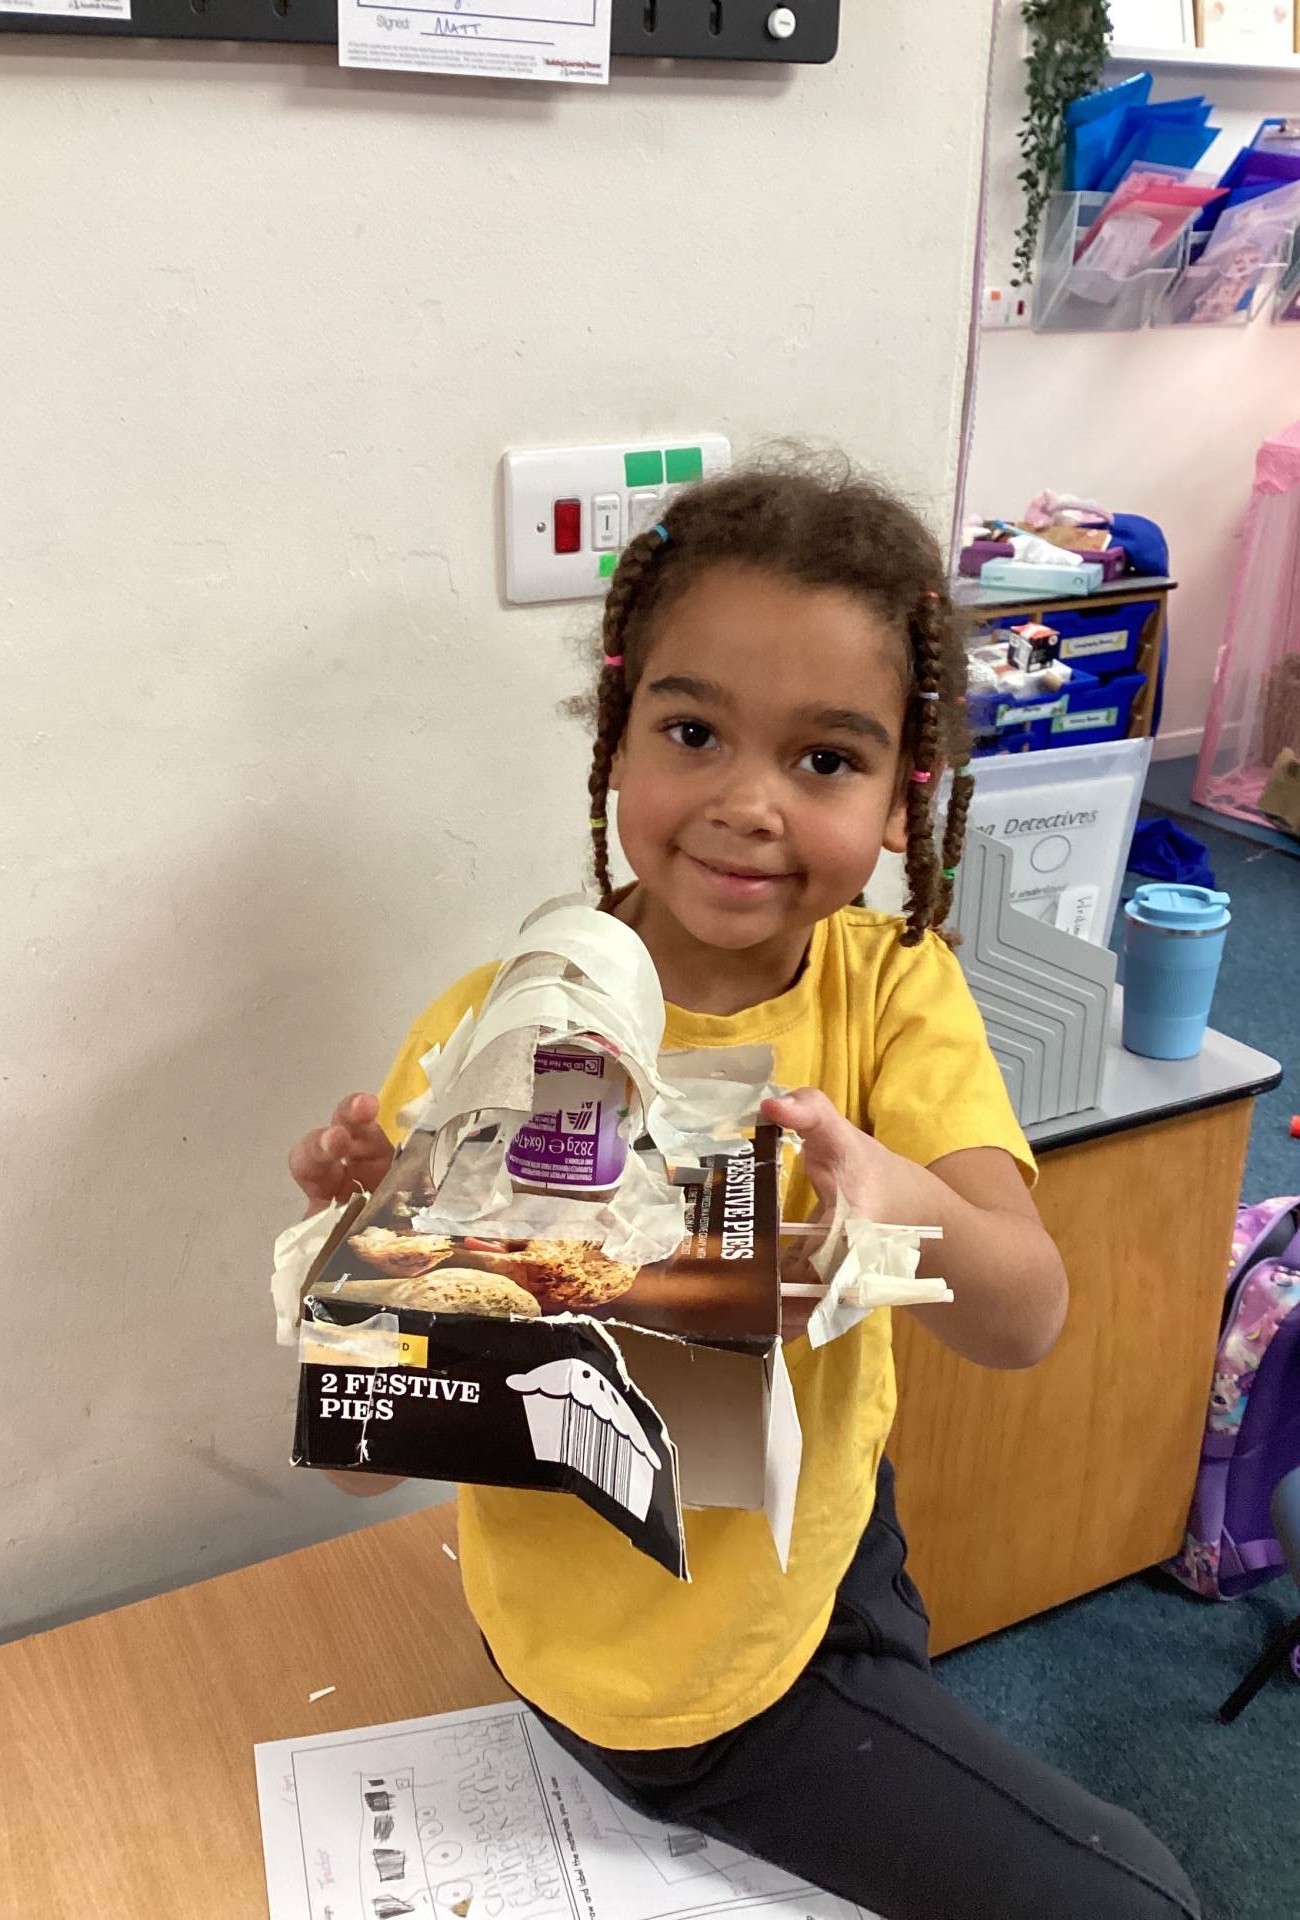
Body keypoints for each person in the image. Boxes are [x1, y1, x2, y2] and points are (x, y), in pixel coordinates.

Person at [287, 459, 1200, 1920]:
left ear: (903, 798)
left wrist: (889, 1196)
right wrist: (360, 1255)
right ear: (618, 742)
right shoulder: (503, 1029)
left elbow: (1025, 1316)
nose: (748, 804)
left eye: (825, 758)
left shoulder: (894, 991)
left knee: (882, 1596)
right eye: (695, 731)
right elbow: (361, 1458)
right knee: (1138, 1902)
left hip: (826, 1537)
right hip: (675, 1691)